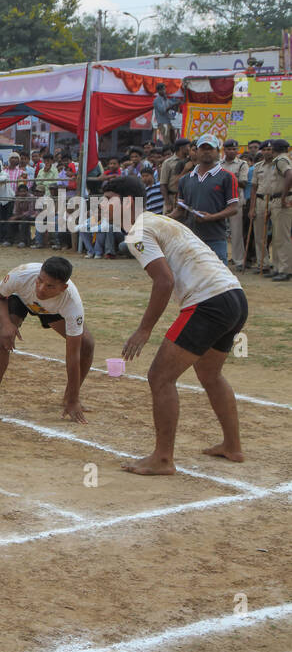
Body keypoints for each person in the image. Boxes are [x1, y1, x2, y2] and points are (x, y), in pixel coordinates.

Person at [106, 174, 248, 475]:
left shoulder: (138, 231)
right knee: (209, 373)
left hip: (209, 301)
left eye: (108, 199)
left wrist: (144, 330)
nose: (102, 206)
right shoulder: (158, 221)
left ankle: (163, 458)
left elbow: (164, 280)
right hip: (234, 296)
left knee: (160, 376)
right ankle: (232, 446)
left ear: (127, 202)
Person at [0, 257, 93, 424]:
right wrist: (5, 324)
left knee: (87, 344)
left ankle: (69, 399)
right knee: (4, 339)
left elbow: (73, 354)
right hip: (21, 300)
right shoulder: (22, 275)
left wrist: (75, 400)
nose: (41, 288)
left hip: (51, 310)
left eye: (50, 286)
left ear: (63, 288)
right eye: (40, 280)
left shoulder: (72, 303)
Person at [172, 134, 239, 263]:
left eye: (210, 148)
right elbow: (180, 210)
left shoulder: (227, 177)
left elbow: (233, 208)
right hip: (191, 238)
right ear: (196, 151)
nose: (206, 151)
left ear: (217, 152)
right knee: (193, 277)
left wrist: (212, 217)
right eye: (203, 148)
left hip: (215, 237)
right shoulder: (186, 179)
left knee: (218, 278)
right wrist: (163, 217)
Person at [249, 142, 277, 276]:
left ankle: (279, 266)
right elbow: (253, 188)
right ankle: (263, 263)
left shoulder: (280, 165)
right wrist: (252, 208)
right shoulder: (257, 167)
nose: (267, 152)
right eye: (265, 149)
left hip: (276, 200)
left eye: (270, 149)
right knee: (260, 234)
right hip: (260, 200)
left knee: (278, 235)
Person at [270, 137, 292, 282]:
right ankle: (278, 267)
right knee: (277, 236)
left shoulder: (281, 160)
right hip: (277, 200)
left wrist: (284, 197)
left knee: (282, 237)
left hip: (282, 200)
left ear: (274, 149)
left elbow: (290, 175)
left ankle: (285, 270)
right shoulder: (282, 159)